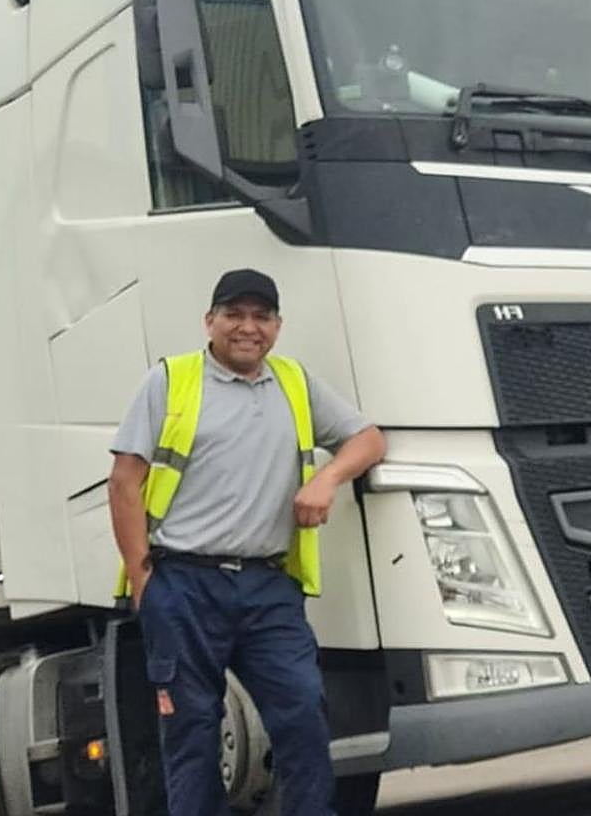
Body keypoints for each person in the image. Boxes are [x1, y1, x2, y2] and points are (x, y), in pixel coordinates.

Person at [108, 268, 386, 816]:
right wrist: (144, 581)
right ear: (210, 321)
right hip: (183, 583)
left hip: (268, 588)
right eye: (234, 315)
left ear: (277, 327)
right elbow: (125, 480)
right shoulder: (171, 380)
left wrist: (326, 479)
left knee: (304, 714)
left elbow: (369, 439)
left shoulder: (294, 383)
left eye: (261, 317)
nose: (247, 328)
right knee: (192, 735)